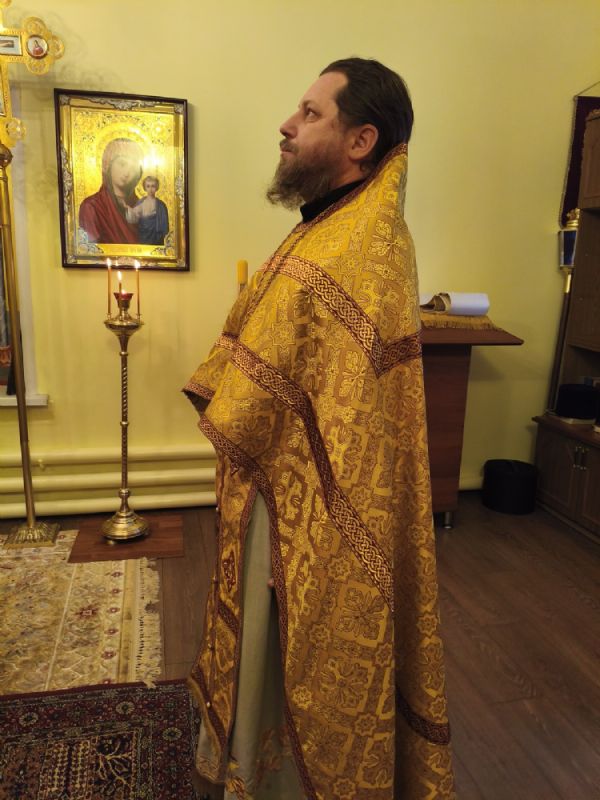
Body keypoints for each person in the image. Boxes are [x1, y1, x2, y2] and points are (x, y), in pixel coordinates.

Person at [185, 57, 455, 800]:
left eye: (310, 113)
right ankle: (250, 765)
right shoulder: (322, 229)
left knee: (297, 640)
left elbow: (348, 404)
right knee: (265, 636)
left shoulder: (367, 245)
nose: (287, 125)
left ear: (361, 140)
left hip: (320, 501)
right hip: (277, 479)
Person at [78, 138, 143, 244]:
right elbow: (91, 248)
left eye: (133, 167)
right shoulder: (92, 206)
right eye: (122, 164)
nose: (127, 172)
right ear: (108, 165)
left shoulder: (142, 208)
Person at [125, 175, 169, 246]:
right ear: (145, 188)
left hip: (156, 238)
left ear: (156, 187)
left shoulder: (161, 205)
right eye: (148, 186)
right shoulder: (141, 202)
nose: (150, 189)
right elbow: (134, 216)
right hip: (143, 237)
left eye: (153, 186)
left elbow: (164, 226)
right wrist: (128, 209)